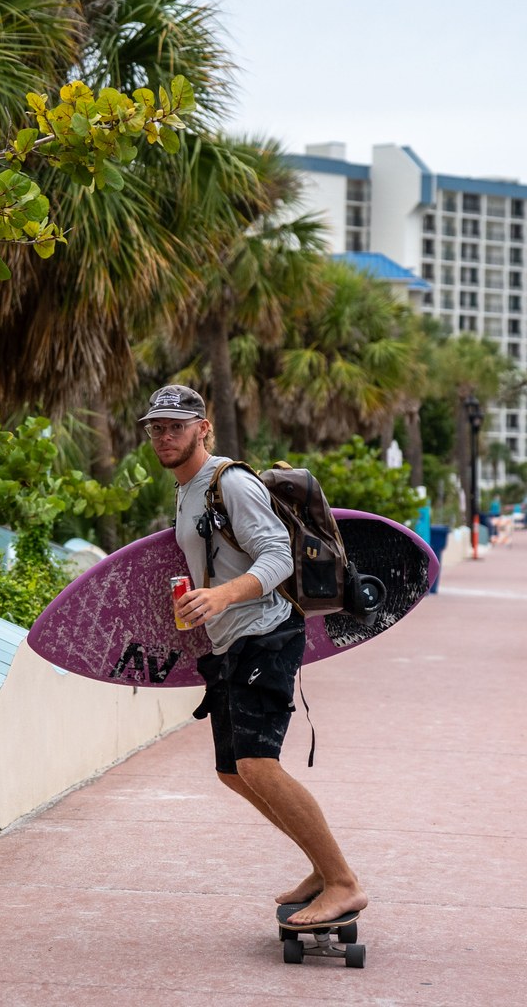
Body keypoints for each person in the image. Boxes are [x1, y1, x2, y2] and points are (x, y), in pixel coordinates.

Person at [139, 383, 367, 927]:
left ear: (204, 428)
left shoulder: (229, 482)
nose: (165, 435)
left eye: (176, 426)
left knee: (258, 764)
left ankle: (342, 882)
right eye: (157, 427)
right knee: (233, 771)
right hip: (230, 643)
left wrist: (221, 595)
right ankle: (320, 867)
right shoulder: (187, 488)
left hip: (265, 634)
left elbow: (279, 557)